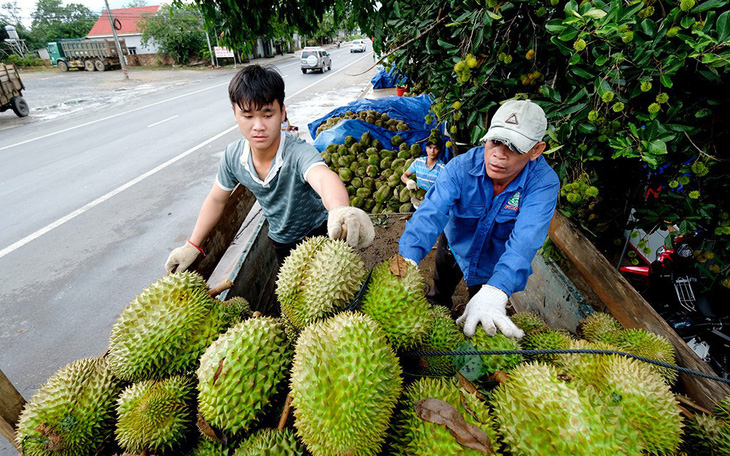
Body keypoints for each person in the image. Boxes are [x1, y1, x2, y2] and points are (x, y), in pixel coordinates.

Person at [165, 64, 374, 273]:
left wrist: (339, 210)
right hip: (281, 241)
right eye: (247, 116)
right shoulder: (233, 157)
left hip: (320, 230)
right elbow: (216, 200)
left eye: (267, 115)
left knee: (333, 287)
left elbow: (322, 178)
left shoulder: (297, 152)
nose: (258, 126)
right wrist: (192, 245)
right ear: (235, 114)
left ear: (282, 113)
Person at [398, 99, 559, 339]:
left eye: (514, 147)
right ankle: (436, 312)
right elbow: (430, 214)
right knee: (439, 290)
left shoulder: (542, 184)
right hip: (454, 247)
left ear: (536, 150)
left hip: (492, 263)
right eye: (495, 142)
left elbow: (526, 240)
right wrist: (406, 259)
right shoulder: (460, 168)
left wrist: (497, 289)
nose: (498, 155)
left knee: (481, 314)